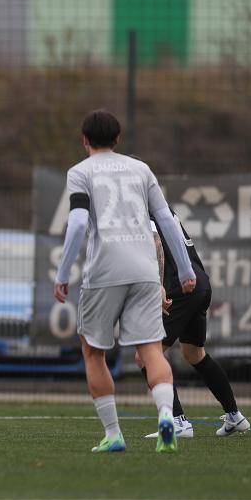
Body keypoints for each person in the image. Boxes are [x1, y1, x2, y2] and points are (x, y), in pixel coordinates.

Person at [53, 110, 196, 453]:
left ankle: (114, 435)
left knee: (93, 352)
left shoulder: (80, 172)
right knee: (150, 349)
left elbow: (76, 224)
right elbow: (165, 219)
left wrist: (62, 273)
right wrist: (186, 270)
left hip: (105, 272)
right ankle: (166, 417)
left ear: (84, 140)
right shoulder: (141, 169)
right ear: (118, 140)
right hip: (145, 270)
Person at [136, 210, 250, 438]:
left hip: (180, 288)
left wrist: (158, 285)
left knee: (146, 355)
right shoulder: (161, 206)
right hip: (199, 284)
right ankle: (235, 416)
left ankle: (177, 421)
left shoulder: (143, 206)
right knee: (194, 354)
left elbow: (155, 241)